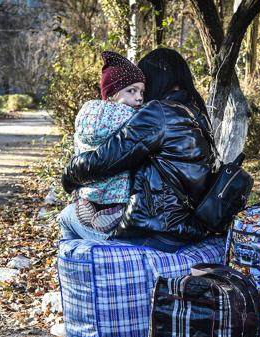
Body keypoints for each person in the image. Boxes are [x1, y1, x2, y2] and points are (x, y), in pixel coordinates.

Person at [61, 48, 218, 252]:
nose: (140, 96)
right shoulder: (196, 114)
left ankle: (86, 280)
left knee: (66, 217)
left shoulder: (158, 113)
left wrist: (68, 175)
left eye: (143, 88)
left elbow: (104, 160)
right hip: (187, 227)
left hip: (154, 232)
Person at [59, 51, 145, 239]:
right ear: (113, 94)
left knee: (67, 218)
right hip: (117, 196)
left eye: (141, 92)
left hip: (88, 189)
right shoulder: (131, 117)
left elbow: (79, 149)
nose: (139, 97)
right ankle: (113, 211)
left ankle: (86, 204)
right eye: (131, 90)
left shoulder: (85, 114)